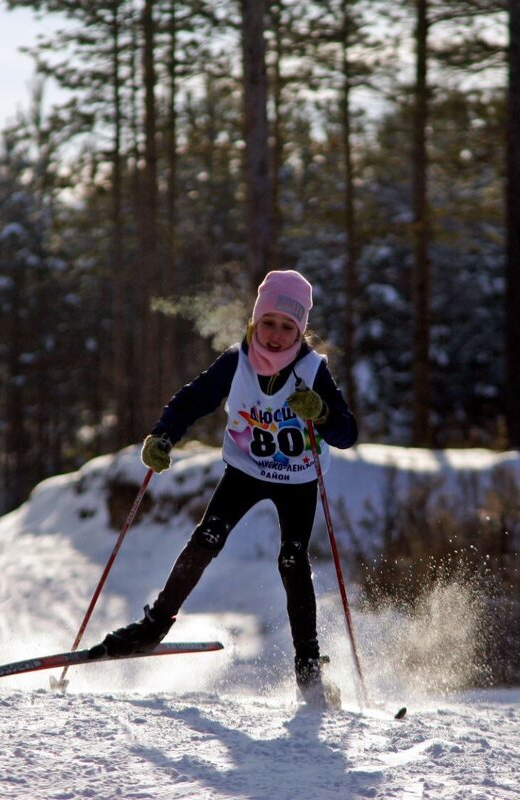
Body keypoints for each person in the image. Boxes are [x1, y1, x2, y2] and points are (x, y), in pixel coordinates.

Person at [95, 270, 358, 705]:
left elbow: (347, 433)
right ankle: (154, 626)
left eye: (287, 327)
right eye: (268, 323)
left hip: (297, 479)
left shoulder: (313, 370)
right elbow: (192, 399)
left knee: (293, 562)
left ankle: (309, 670)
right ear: (255, 322)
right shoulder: (236, 362)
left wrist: (323, 412)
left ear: (300, 330)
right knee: (206, 538)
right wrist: (163, 435)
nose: (275, 335)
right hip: (245, 470)